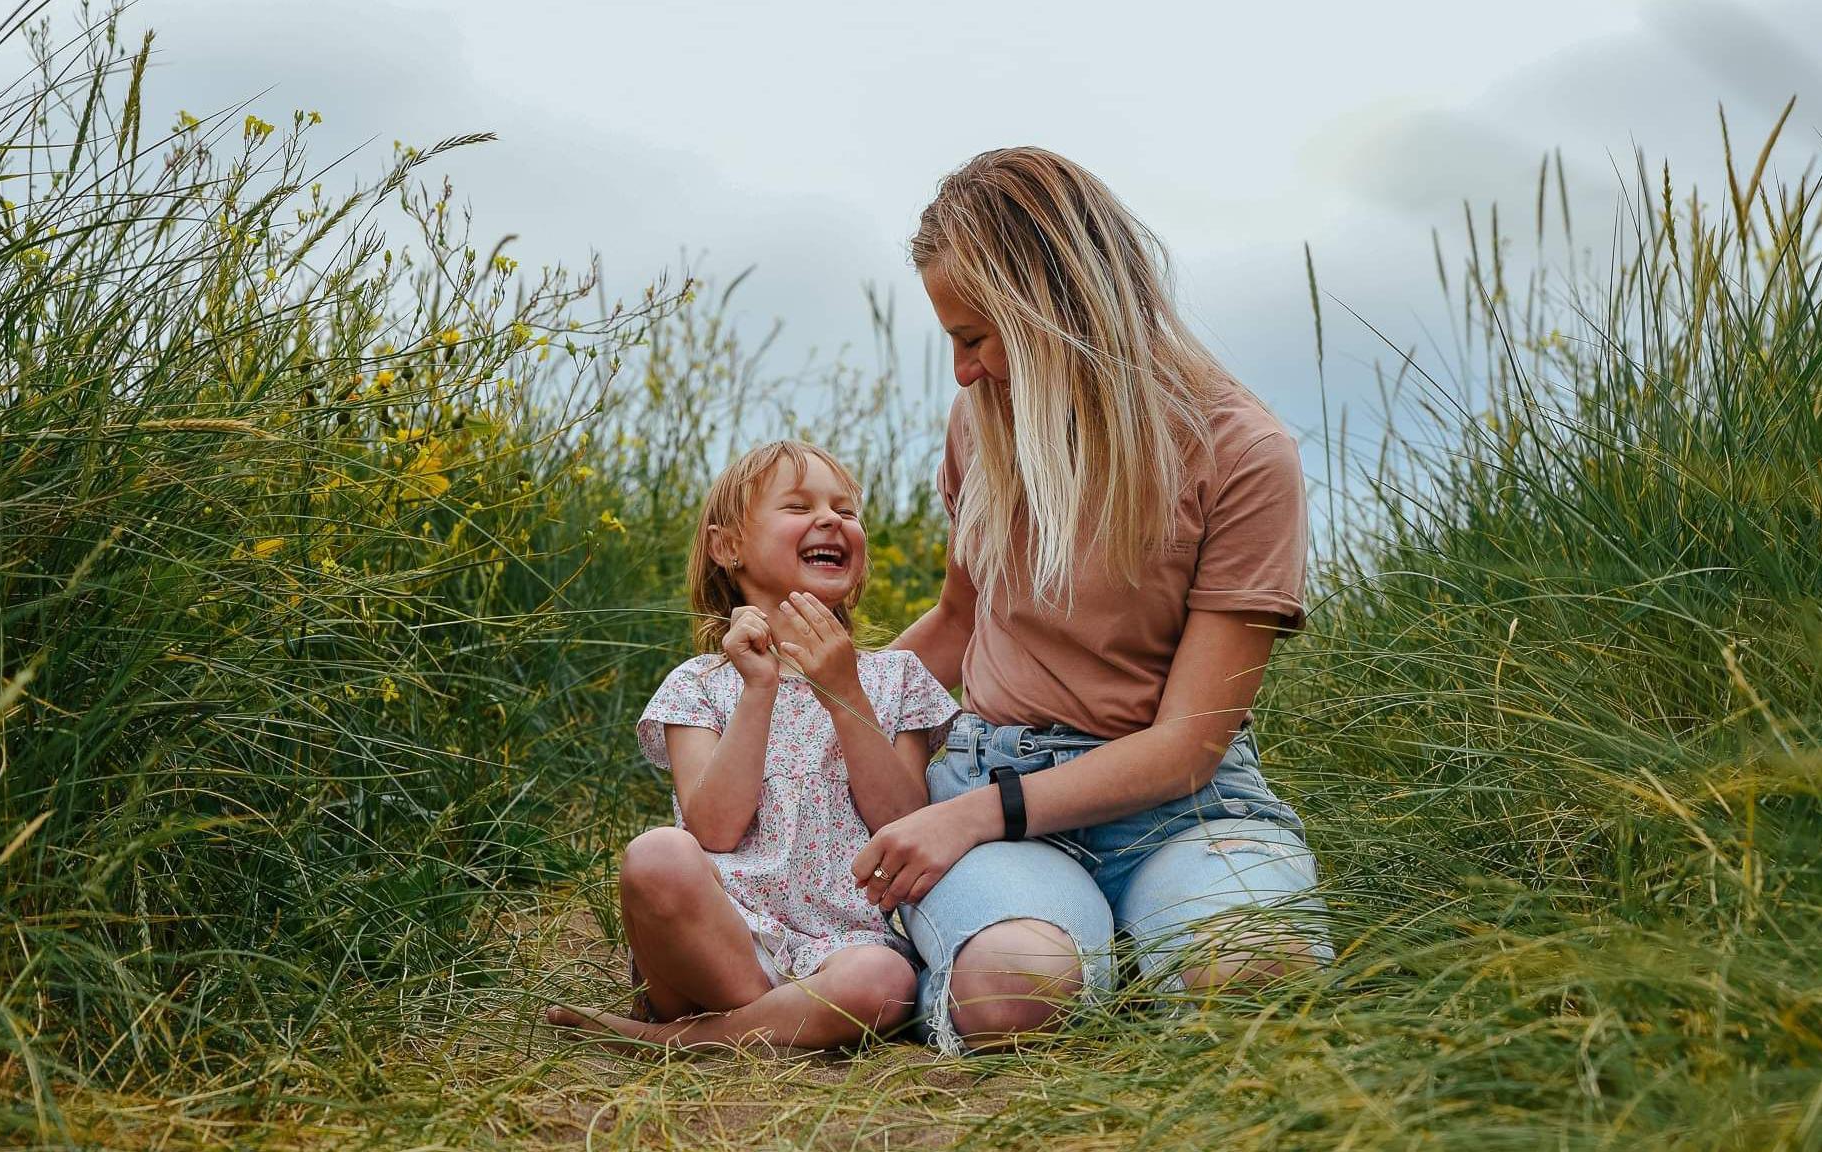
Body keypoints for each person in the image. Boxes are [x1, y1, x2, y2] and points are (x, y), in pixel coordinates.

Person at [849, 146, 1334, 1055]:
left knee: (1258, 985)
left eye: (974, 338)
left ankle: (1142, 942)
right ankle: (1083, 947)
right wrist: (822, 701)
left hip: (1185, 809)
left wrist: (972, 817)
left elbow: (1190, 744)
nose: (962, 373)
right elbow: (957, 625)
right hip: (994, 771)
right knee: (1013, 993)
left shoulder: (1243, 452)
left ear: (1055, 314)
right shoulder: (984, 421)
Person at [545, 440, 959, 1051]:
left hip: (840, 946)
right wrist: (758, 688)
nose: (831, 520)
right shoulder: (699, 685)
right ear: (727, 546)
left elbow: (901, 824)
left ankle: (687, 1040)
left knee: (885, 982)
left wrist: (842, 691)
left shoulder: (896, 681)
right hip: (720, 936)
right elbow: (712, 829)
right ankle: (783, 1023)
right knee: (656, 855)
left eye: (846, 509)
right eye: (798, 506)